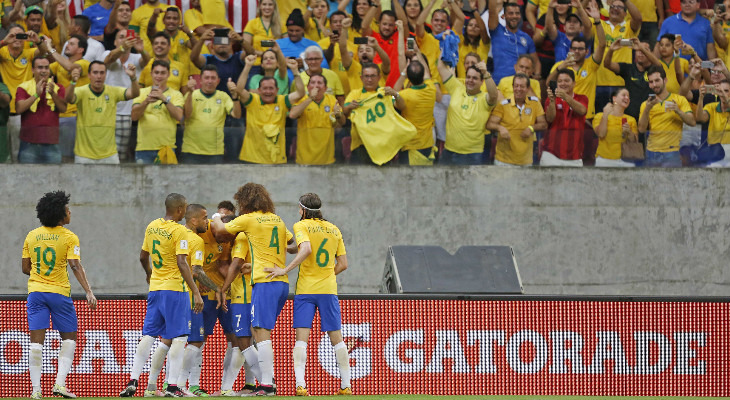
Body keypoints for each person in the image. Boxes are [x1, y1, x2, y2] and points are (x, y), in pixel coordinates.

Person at [211, 183, 297, 397]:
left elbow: (220, 230)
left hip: (264, 282)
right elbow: (293, 245)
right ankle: (264, 383)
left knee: (260, 333)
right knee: (260, 333)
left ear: (245, 201)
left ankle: (267, 384)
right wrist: (279, 259)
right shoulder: (277, 220)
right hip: (281, 281)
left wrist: (215, 216)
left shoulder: (249, 219)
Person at [265, 193, 351, 396]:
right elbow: (344, 264)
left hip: (305, 290)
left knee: (302, 339)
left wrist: (285, 269)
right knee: (336, 338)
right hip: (328, 290)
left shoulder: (301, 226)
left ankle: (301, 385)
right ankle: (346, 385)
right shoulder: (333, 229)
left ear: (302, 209)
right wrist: (289, 248)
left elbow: (307, 249)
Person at [120, 193, 204, 398]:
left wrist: (149, 274)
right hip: (175, 289)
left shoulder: (152, 226)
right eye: (183, 208)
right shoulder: (179, 231)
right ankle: (173, 386)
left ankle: (133, 380)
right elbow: (182, 262)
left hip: (156, 289)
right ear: (179, 210)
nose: (184, 212)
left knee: (148, 335)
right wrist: (195, 291)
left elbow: (142, 256)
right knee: (179, 337)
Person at [22, 190, 97, 400]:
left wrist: (40, 273)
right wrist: (89, 291)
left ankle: (36, 390)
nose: (70, 212)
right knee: (70, 338)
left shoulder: (32, 235)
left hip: (36, 293)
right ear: (60, 214)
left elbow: (25, 267)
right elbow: (75, 265)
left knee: (36, 343)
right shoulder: (69, 237)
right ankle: (60, 385)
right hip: (59, 294)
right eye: (67, 209)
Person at [173, 204, 225, 397]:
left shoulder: (175, 234)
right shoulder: (194, 239)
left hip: (172, 292)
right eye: (204, 218)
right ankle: (177, 385)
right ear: (193, 220)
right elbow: (197, 271)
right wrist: (216, 288)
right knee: (194, 341)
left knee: (182, 340)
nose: (207, 221)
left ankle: (181, 385)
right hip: (190, 296)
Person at [66, 60, 139, 164]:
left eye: (102, 73)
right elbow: (68, 98)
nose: (99, 76)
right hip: (84, 156)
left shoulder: (113, 91)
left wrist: (133, 78)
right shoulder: (81, 91)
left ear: (105, 75)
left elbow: (135, 94)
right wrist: (73, 82)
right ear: (89, 75)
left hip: (109, 155)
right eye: (95, 73)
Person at [234, 56, 304, 164]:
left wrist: (295, 70)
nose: (268, 92)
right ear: (259, 90)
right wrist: (248, 66)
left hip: (276, 159)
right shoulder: (252, 100)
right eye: (265, 88)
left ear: (277, 90)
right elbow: (239, 90)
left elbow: (300, 93)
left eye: (271, 88)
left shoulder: (282, 100)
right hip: (252, 158)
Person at [437, 56, 498, 165]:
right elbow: (441, 67)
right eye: (468, 77)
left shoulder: (484, 99)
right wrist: (445, 46)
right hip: (449, 151)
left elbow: (494, 95)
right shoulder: (456, 88)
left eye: (475, 78)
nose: (470, 80)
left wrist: (486, 73)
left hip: (471, 155)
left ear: (482, 81)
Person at [42, 34, 90, 162]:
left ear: (81, 50)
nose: (67, 45)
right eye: (67, 43)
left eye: (72, 44)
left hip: (74, 117)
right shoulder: (58, 65)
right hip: (58, 115)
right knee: (56, 157)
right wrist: (40, 44)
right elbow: (42, 69)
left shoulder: (84, 64)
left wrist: (51, 49)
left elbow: (70, 67)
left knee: (67, 158)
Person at [103, 29, 149, 161]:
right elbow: (108, 59)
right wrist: (122, 48)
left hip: (128, 112)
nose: (125, 39)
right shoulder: (107, 53)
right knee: (106, 151)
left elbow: (146, 60)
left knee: (123, 155)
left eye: (128, 37)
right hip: (108, 111)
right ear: (115, 41)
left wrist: (141, 49)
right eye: (121, 37)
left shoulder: (136, 58)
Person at [182, 65, 241, 163]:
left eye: (213, 78)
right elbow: (187, 115)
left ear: (218, 81)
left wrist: (235, 97)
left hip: (215, 152)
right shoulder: (192, 94)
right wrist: (189, 92)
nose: (210, 81)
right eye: (206, 78)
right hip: (191, 151)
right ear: (200, 80)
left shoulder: (223, 96)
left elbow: (237, 115)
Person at [638, 65, 696, 167]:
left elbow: (692, 122)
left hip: (672, 152)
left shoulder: (679, 99)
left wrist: (678, 111)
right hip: (651, 152)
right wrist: (647, 108)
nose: (654, 85)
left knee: (672, 183)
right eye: (651, 82)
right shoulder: (645, 104)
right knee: (650, 183)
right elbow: (642, 130)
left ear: (665, 80)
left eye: (657, 80)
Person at [0, 26, 42, 162]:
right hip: (4, 109)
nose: (17, 38)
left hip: (23, 110)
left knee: (20, 154)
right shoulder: (2, 52)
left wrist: (38, 41)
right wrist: (4, 42)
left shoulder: (29, 53)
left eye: (20, 35)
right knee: (5, 154)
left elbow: (48, 54)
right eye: (14, 35)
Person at [487, 73, 548, 166]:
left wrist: (531, 128)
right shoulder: (503, 105)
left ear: (528, 88)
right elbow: (490, 124)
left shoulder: (535, 103)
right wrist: (500, 128)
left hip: (526, 161)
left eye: (522, 86)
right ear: (512, 87)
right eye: (516, 86)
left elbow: (543, 124)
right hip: (503, 161)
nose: (518, 89)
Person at [394, 35, 437, 165]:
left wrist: (403, 73)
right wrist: (418, 52)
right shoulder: (431, 89)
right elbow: (427, 74)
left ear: (409, 76)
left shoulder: (406, 95)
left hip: (410, 147)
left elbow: (393, 93)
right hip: (428, 145)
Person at [15, 56, 67, 164]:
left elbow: (63, 108)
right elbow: (19, 109)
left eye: (46, 68)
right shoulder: (23, 87)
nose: (44, 71)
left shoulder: (58, 88)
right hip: (29, 143)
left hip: (52, 143)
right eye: (40, 67)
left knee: (54, 178)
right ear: (32, 70)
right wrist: (36, 94)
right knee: (25, 178)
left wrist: (53, 93)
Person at [131, 60, 184, 164]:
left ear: (168, 74)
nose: (159, 76)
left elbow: (179, 116)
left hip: (166, 148)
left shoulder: (176, 94)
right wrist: (146, 101)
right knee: (143, 180)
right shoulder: (141, 92)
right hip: (144, 148)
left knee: (166, 180)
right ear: (151, 74)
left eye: (163, 73)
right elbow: (134, 117)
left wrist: (164, 99)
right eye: (156, 72)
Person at [593, 0, 642, 113]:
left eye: (620, 7)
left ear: (626, 13)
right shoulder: (598, 24)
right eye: (613, 6)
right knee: (601, 120)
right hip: (599, 82)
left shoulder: (629, 27)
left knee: (619, 121)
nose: (615, 9)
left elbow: (638, 19)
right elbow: (581, 19)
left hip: (621, 83)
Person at [289, 73, 346, 164]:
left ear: (325, 88)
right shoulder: (302, 99)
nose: (316, 85)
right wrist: (310, 98)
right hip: (305, 158)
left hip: (327, 158)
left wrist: (338, 115)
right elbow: (292, 115)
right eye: (313, 83)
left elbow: (343, 122)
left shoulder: (331, 99)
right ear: (308, 87)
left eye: (319, 83)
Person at [603, 38, 662, 119]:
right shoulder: (628, 68)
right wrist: (611, 50)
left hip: (649, 116)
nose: (641, 52)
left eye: (645, 50)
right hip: (629, 117)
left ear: (651, 53)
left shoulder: (654, 70)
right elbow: (607, 64)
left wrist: (641, 47)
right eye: (638, 50)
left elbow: (659, 66)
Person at [541, 68, 589, 166]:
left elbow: (582, 111)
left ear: (574, 83)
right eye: (560, 81)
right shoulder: (551, 99)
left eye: (567, 81)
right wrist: (552, 101)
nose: (563, 83)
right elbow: (549, 119)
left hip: (575, 157)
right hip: (551, 154)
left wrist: (565, 97)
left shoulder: (582, 98)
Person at [488, 0, 540, 84]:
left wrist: (537, 76)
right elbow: (492, 11)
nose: (514, 16)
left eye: (517, 13)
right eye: (511, 13)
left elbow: (536, 62)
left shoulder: (526, 37)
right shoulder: (497, 30)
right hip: (499, 84)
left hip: (520, 85)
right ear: (503, 16)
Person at [592, 87, 640, 167]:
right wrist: (605, 115)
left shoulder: (631, 119)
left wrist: (629, 132)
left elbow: (634, 142)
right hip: (604, 160)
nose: (627, 98)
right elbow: (601, 134)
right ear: (614, 98)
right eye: (624, 95)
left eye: (628, 96)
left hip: (625, 161)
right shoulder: (600, 116)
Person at [340, 18, 391, 91]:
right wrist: (344, 29)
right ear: (357, 54)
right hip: (358, 101)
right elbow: (343, 49)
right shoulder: (353, 67)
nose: (364, 52)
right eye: (361, 51)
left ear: (374, 54)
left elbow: (387, 62)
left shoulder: (379, 68)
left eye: (368, 50)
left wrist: (376, 46)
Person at [277, 8, 330, 77]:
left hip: (307, 84)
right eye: (291, 30)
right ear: (287, 29)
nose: (294, 33)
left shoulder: (313, 45)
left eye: (297, 31)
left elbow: (324, 66)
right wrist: (283, 62)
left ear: (303, 30)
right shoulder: (277, 44)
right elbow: (265, 62)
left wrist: (305, 63)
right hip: (282, 83)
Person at [362, 4, 401, 86]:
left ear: (395, 26)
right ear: (379, 23)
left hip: (396, 88)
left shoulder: (399, 37)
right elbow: (364, 26)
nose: (387, 27)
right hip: (377, 88)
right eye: (384, 24)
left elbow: (404, 23)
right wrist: (375, 5)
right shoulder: (373, 38)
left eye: (390, 25)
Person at [693, 79, 730, 166]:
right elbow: (699, 118)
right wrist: (701, 98)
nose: (722, 93)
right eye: (720, 90)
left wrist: (724, 95)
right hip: (714, 152)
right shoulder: (711, 106)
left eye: (726, 91)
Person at [319, 11, 357, 93]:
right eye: (335, 22)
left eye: (341, 22)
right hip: (330, 88)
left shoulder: (354, 46)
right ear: (330, 25)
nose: (338, 24)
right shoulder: (321, 44)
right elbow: (325, 59)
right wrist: (332, 45)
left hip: (351, 90)